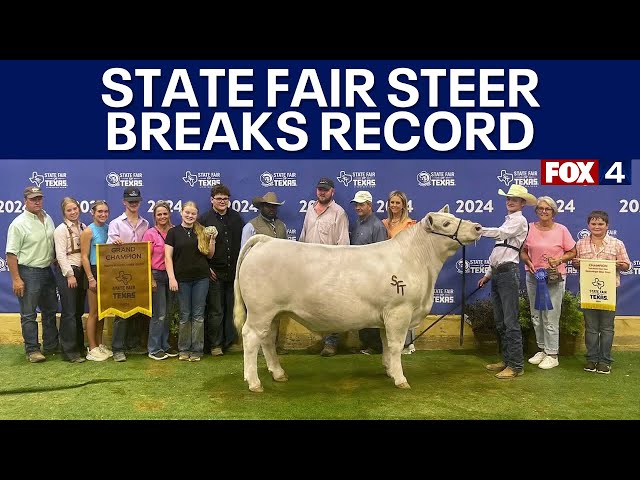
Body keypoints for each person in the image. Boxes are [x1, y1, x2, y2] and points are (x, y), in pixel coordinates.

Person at [478, 184, 537, 379]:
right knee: (501, 321)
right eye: (508, 198)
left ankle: (516, 365)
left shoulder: (519, 221)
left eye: (514, 199)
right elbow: (498, 252)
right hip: (498, 273)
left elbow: (501, 236)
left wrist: (478, 229)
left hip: (508, 273)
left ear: (522, 203)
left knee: (510, 321)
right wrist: (487, 275)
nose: (510, 201)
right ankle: (507, 360)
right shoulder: (508, 221)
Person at [520, 196, 576, 370]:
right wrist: (528, 262)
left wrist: (559, 260)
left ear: (553, 212)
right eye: (540, 209)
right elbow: (523, 251)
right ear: (536, 211)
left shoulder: (561, 230)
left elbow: (573, 251)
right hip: (533, 276)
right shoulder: (528, 228)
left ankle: (553, 354)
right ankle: (542, 349)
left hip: (554, 277)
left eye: (547, 209)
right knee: (536, 315)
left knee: (550, 316)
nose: (544, 212)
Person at [572, 210, 630, 374]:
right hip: (588, 290)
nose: (597, 227)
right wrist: (576, 263)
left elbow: (627, 265)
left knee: (606, 327)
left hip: (609, 290)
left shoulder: (617, 243)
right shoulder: (581, 244)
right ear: (588, 225)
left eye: (600, 224)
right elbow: (577, 265)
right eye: (593, 224)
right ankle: (591, 360)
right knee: (590, 327)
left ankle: (604, 361)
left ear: (607, 225)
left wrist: (620, 264)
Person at [6, 186, 59, 363]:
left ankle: (51, 346)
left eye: (39, 198)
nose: (37, 201)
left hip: (47, 270)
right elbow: (11, 254)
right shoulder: (18, 224)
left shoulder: (48, 217)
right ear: (25, 201)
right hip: (28, 271)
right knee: (29, 314)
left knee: (50, 310)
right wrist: (16, 278)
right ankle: (32, 350)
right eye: (32, 199)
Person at [299, 176, 350, 357]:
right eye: (320, 189)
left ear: (332, 192)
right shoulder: (310, 210)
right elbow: (303, 237)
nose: (322, 192)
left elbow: (343, 243)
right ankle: (320, 340)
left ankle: (331, 342)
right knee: (314, 305)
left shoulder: (339, 213)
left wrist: (337, 269)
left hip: (330, 267)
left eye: (325, 189)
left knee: (331, 305)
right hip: (310, 266)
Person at [165, 201, 216, 361]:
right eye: (187, 212)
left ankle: (197, 350)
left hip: (201, 278)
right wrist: (172, 278)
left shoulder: (201, 231)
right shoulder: (173, 233)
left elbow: (209, 255)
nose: (190, 216)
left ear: (196, 215)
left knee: (198, 315)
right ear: (181, 212)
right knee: (185, 315)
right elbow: (167, 257)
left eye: (193, 213)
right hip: (181, 280)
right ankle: (184, 349)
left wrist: (212, 240)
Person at [198, 184, 245, 356]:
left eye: (225, 199)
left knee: (231, 308)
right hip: (214, 273)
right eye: (219, 199)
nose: (222, 201)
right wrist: (206, 267)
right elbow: (199, 248)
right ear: (212, 200)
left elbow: (242, 244)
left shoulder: (236, 219)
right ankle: (215, 345)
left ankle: (229, 342)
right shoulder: (204, 220)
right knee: (216, 310)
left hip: (233, 273)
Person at [240, 191, 289, 354]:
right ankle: (257, 346)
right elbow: (245, 253)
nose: (271, 209)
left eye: (274, 206)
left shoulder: (281, 226)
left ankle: (271, 347)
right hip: (259, 279)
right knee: (259, 314)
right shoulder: (251, 227)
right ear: (261, 207)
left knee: (277, 314)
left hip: (279, 277)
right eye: (268, 206)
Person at [107, 186, 150, 362]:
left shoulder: (146, 223)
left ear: (140, 202)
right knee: (121, 310)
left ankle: (133, 345)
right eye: (130, 201)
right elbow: (107, 250)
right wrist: (114, 242)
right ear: (124, 202)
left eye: (136, 201)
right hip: (120, 273)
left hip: (139, 272)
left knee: (139, 309)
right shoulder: (115, 223)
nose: (133, 204)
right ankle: (117, 348)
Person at [350, 190, 388, 355]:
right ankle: (365, 342)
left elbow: (381, 253)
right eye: (356, 204)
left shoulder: (377, 226)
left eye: (361, 204)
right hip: (358, 274)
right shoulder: (358, 223)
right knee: (361, 310)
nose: (358, 207)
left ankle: (375, 345)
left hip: (372, 275)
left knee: (372, 311)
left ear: (369, 206)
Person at [53, 197, 89, 363]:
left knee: (78, 312)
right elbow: (60, 254)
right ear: (64, 213)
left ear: (79, 209)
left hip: (81, 271)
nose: (73, 212)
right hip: (69, 271)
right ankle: (69, 351)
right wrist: (69, 274)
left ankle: (80, 347)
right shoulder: (60, 230)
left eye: (75, 209)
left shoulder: (83, 227)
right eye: (69, 210)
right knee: (68, 312)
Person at [381, 190, 417, 354]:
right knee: (389, 306)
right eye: (392, 202)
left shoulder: (410, 225)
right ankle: (390, 345)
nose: (394, 205)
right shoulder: (383, 223)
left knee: (403, 304)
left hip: (403, 270)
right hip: (385, 270)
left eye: (397, 203)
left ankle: (407, 343)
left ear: (403, 206)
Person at [142, 200, 179, 360]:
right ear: (155, 217)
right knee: (159, 314)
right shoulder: (150, 233)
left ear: (169, 214)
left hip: (171, 276)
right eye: (159, 214)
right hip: (156, 275)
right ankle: (154, 348)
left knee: (168, 313)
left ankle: (164, 345)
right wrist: (150, 279)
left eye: (165, 213)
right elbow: (144, 259)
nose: (162, 216)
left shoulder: (175, 231)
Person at [81, 200, 112, 361]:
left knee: (102, 312)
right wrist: (90, 278)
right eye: (100, 211)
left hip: (106, 271)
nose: (103, 214)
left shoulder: (109, 229)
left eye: (106, 211)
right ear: (92, 213)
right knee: (93, 312)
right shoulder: (88, 231)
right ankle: (91, 348)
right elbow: (84, 257)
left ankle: (99, 344)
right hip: (93, 271)